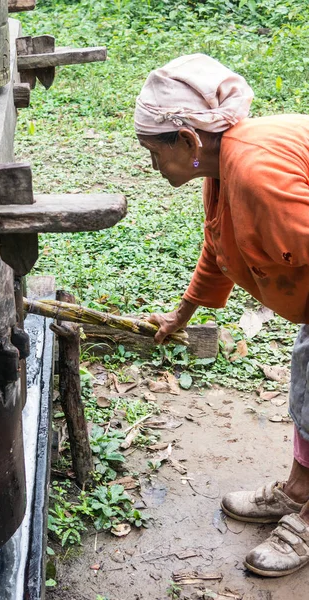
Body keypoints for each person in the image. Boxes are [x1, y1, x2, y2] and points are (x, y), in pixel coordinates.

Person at [135, 53, 309, 578]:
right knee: (307, 389)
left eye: (152, 152)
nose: (152, 166)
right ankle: (300, 487)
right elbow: (220, 244)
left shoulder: (255, 171)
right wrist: (182, 315)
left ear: (187, 140)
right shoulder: (223, 163)